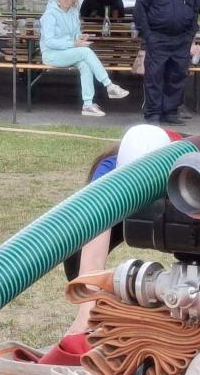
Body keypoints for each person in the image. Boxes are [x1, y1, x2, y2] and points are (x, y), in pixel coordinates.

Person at [61, 124, 177, 345]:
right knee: (76, 257)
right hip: (120, 202)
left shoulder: (189, 168)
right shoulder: (108, 173)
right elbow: (94, 243)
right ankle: (101, 310)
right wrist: (87, 312)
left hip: (174, 196)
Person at [134, 0, 200, 127]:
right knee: (154, 78)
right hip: (157, 39)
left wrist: (190, 35)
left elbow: (195, 10)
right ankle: (153, 114)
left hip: (181, 40)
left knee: (177, 77)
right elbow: (140, 11)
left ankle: (170, 113)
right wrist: (148, 36)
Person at [41, 0, 130, 118]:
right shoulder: (50, 14)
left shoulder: (73, 12)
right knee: (85, 51)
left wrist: (80, 37)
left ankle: (88, 104)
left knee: (85, 64)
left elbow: (75, 33)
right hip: (51, 54)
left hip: (67, 52)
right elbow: (49, 41)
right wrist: (74, 43)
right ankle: (109, 86)